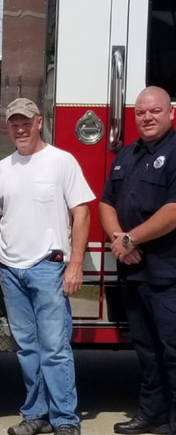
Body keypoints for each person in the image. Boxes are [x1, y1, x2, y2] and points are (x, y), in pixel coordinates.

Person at [0, 98, 92, 435]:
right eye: (14, 123)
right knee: (27, 348)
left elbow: (82, 214)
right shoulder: (3, 168)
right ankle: (35, 415)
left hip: (48, 268)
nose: (19, 129)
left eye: (25, 122)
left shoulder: (62, 162)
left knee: (55, 348)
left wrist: (75, 264)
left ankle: (64, 419)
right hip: (10, 270)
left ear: (39, 122)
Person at [100, 86, 176, 435]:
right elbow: (106, 204)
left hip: (167, 273)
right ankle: (152, 414)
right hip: (133, 271)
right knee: (145, 349)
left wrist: (131, 238)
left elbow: (173, 212)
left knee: (172, 351)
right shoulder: (126, 155)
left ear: (170, 113)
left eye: (155, 111)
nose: (147, 117)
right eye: (141, 112)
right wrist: (120, 240)